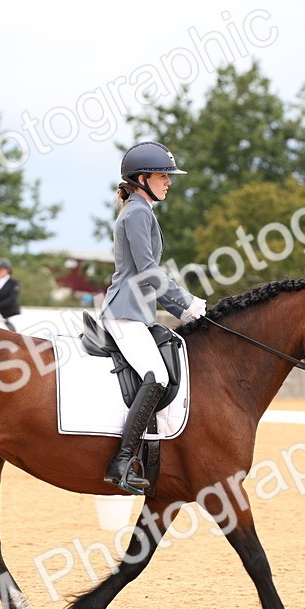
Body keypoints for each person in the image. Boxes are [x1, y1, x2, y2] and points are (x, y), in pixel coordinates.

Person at [99, 141, 207, 493]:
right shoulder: (138, 212)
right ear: (142, 178)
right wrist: (186, 301)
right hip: (126, 312)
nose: (169, 182)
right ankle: (122, 461)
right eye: (163, 175)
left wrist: (181, 311)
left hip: (135, 311)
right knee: (157, 376)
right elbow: (147, 270)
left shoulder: (139, 209)